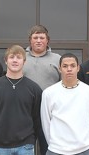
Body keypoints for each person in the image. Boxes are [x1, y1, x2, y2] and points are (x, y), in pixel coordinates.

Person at [0, 45, 43, 155]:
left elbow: (37, 118)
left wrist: (31, 139)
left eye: (18, 57)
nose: (15, 60)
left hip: (26, 146)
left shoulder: (34, 89)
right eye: (11, 57)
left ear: (24, 61)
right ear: (5, 61)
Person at [41, 53, 89, 155]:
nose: (69, 69)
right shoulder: (48, 93)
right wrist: (55, 145)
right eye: (65, 66)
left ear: (78, 68)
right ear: (59, 69)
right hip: (56, 150)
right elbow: (46, 123)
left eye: (72, 66)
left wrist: (88, 143)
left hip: (85, 150)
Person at [23, 24, 61, 155]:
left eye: (41, 37)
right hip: (26, 112)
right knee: (26, 149)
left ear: (47, 40)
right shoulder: (20, 58)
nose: (38, 40)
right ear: (30, 40)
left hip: (51, 113)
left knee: (49, 148)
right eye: (35, 37)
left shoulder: (57, 59)